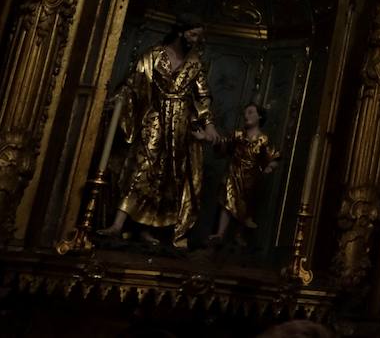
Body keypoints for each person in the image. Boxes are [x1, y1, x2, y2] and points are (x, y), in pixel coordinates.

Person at [98, 22, 219, 247]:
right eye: (193, 34)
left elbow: (203, 96)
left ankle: (146, 228)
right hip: (154, 118)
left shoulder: (194, 63)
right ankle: (118, 224)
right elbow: (133, 82)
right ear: (180, 32)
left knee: (166, 177)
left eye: (198, 36)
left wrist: (209, 124)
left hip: (180, 126)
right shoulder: (153, 55)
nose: (196, 40)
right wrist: (118, 101)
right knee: (142, 168)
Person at [211, 102, 281, 245]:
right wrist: (213, 140)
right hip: (233, 173)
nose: (246, 116)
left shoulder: (263, 140)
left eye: (250, 112)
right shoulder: (238, 135)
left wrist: (270, 167)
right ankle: (220, 234)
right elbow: (224, 144)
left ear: (259, 116)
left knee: (244, 206)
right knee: (227, 201)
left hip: (250, 178)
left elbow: (273, 157)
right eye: (245, 113)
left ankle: (239, 234)